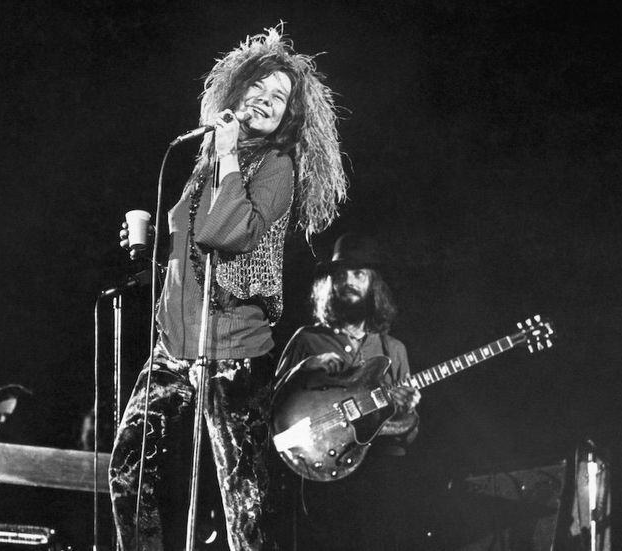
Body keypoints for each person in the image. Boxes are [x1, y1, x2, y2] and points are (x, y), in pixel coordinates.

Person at [109, 26, 347, 550]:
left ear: (291, 115)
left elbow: (226, 232)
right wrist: (149, 250)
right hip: (173, 350)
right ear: (234, 95)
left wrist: (229, 154)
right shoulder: (210, 161)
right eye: (257, 90)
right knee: (129, 478)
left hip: (234, 356)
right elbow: (192, 251)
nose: (265, 102)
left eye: (279, 98)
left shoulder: (276, 167)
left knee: (246, 511)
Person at [274, 233, 422, 550]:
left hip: (379, 484)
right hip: (321, 481)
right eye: (340, 274)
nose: (349, 281)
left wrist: (406, 411)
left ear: (374, 284)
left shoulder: (392, 349)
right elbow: (272, 415)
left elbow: (406, 437)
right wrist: (305, 369)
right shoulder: (308, 340)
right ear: (330, 282)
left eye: (358, 273)